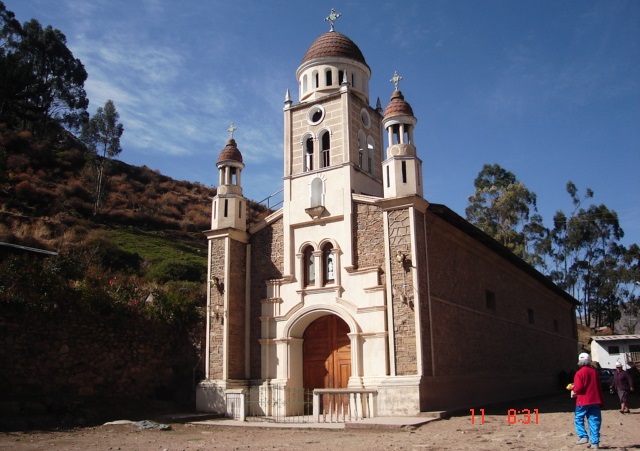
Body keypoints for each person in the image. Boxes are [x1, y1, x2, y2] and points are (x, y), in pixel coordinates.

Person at [570, 352, 603, 449]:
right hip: (595, 400)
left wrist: (573, 388)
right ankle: (595, 443)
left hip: (583, 400)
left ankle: (583, 436)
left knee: (579, 418)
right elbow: (598, 387)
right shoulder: (594, 372)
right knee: (594, 421)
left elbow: (579, 388)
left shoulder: (579, 373)